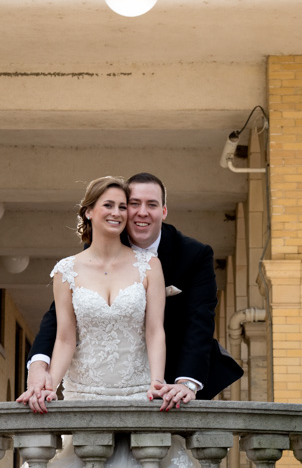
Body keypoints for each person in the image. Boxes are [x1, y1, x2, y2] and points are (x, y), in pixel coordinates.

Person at [0, 175, 194, 468]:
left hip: (136, 392)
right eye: (109, 205)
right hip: (86, 392)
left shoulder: (148, 265)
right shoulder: (65, 271)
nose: (119, 213)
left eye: (123, 206)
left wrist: (157, 381)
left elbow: (155, 331)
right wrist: (48, 386)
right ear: (88, 211)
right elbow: (66, 338)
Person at [20, 172, 243, 414]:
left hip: (170, 377)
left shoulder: (194, 255)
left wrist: (185, 382)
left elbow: (199, 322)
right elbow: (62, 319)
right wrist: (40, 366)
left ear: (164, 211)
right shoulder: (96, 249)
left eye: (152, 205)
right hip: (91, 384)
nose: (141, 212)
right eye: (134, 204)